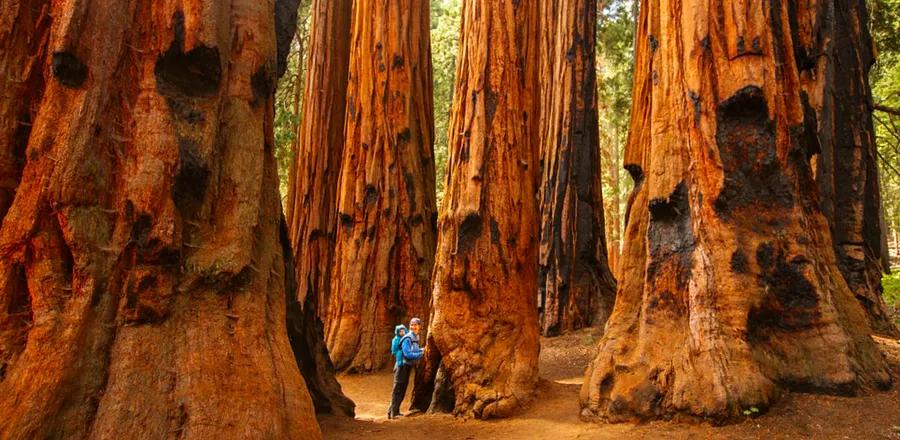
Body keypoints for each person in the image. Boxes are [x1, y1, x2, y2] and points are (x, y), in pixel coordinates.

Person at [388, 317, 423, 419]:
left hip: (406, 367)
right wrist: (421, 354)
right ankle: (393, 413)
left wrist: (421, 350)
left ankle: (393, 412)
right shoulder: (407, 338)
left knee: (401, 389)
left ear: (419, 326)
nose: (413, 327)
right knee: (398, 389)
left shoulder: (415, 337)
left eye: (415, 325)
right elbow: (407, 354)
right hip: (402, 367)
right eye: (411, 325)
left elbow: (414, 350)